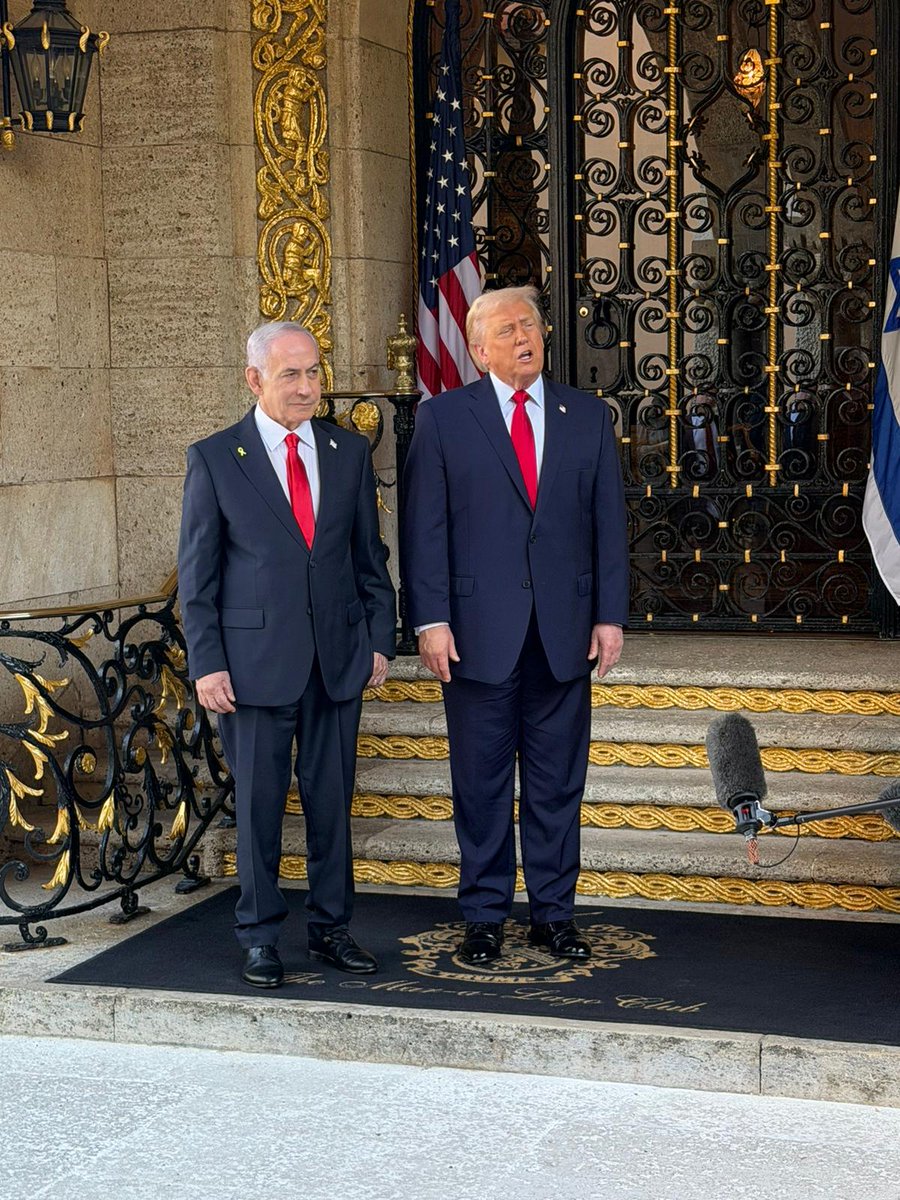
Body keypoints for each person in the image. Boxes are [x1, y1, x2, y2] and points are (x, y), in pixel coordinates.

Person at [401, 285, 629, 965]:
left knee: (559, 784)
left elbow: (607, 526)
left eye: (529, 324)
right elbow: (424, 530)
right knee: (482, 782)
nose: (523, 336)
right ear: (476, 349)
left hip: (563, 634)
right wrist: (430, 620)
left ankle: (554, 916)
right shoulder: (444, 419)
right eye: (505, 329)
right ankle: (484, 917)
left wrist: (609, 616)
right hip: (475, 635)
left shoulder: (586, 416)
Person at [178, 321, 396, 987]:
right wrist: (206, 662)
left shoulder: (348, 452)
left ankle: (332, 930)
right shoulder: (216, 458)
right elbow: (198, 574)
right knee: (261, 809)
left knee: (332, 805)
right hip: (250, 668)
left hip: (336, 662)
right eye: (291, 375)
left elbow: (370, 559)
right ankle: (260, 936)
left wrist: (380, 640)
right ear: (254, 381)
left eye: (313, 372)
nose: (307, 387)